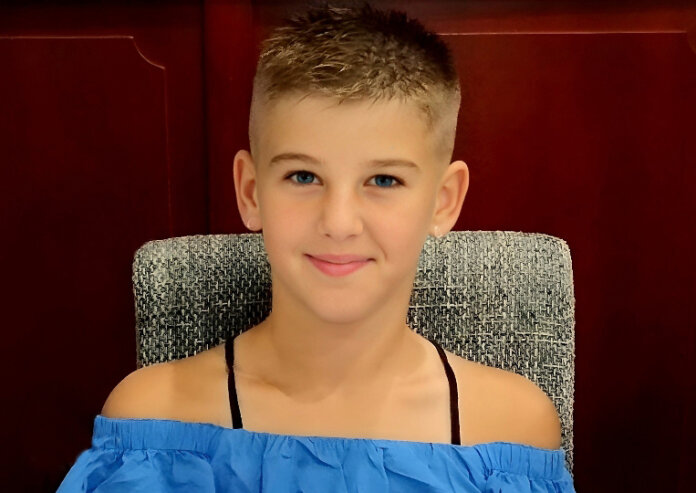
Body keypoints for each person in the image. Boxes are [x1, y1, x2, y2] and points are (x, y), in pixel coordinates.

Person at [57, 1, 576, 491]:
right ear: (250, 192)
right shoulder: (152, 423)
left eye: (384, 180)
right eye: (303, 176)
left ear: (444, 201)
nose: (339, 223)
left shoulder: (514, 429)